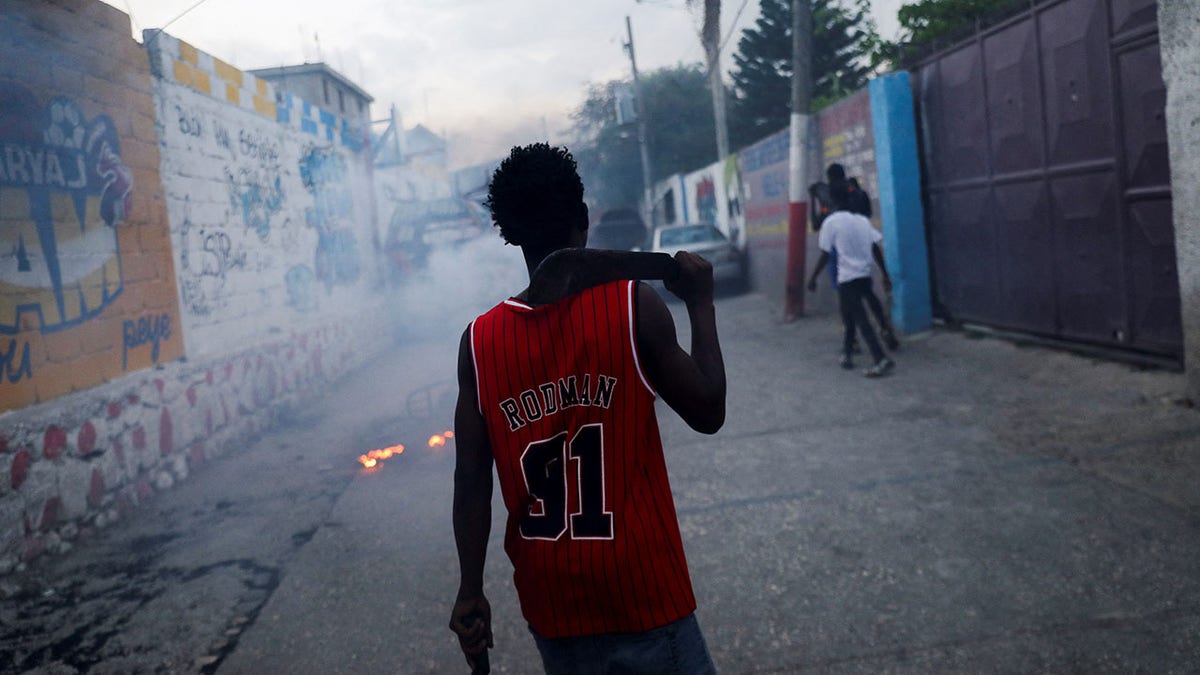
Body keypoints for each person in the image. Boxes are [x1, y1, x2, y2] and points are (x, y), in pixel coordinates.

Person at [449, 143, 725, 674]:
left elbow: (470, 481)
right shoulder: (630, 305)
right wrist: (701, 303)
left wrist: (469, 589)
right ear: (584, 220)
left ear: (507, 232)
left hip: (552, 600)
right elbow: (709, 410)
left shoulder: (479, 342)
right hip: (641, 590)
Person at [807, 182, 896, 377]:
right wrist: (884, 274)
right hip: (864, 275)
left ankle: (880, 358)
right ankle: (847, 353)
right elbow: (875, 248)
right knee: (849, 317)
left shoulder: (831, 223)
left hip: (847, 278)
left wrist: (813, 278)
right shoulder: (861, 221)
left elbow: (825, 254)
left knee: (860, 320)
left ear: (831, 200)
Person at [820, 164, 899, 353]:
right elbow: (869, 216)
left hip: (841, 247)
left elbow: (819, 223)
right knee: (868, 293)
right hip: (862, 238)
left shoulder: (831, 195)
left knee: (846, 297)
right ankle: (884, 329)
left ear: (830, 177)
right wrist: (884, 273)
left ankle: (854, 341)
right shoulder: (856, 190)